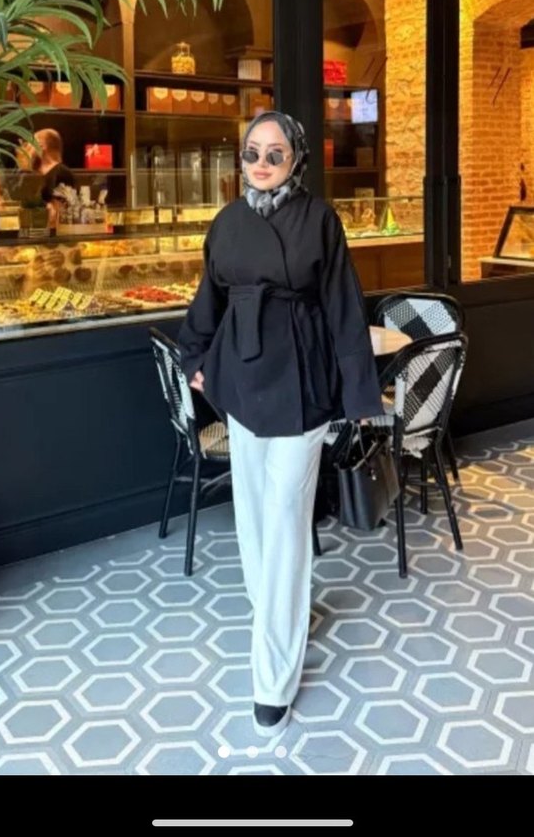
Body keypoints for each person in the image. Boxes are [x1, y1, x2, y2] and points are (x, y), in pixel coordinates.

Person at [177, 110, 383, 740]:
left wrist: (358, 393)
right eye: (252, 153)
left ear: (297, 159)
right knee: (253, 515)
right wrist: (196, 360)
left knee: (288, 519)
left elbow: (344, 308)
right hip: (241, 382)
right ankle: (278, 611)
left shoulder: (320, 219)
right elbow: (208, 299)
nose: (261, 164)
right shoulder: (227, 222)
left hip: (302, 383)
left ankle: (273, 676)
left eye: (275, 154)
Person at [17, 129, 78, 220]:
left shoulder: (61, 173)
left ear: (41, 146)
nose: (27, 149)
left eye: (31, 144)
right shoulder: (44, 175)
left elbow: (58, 216)